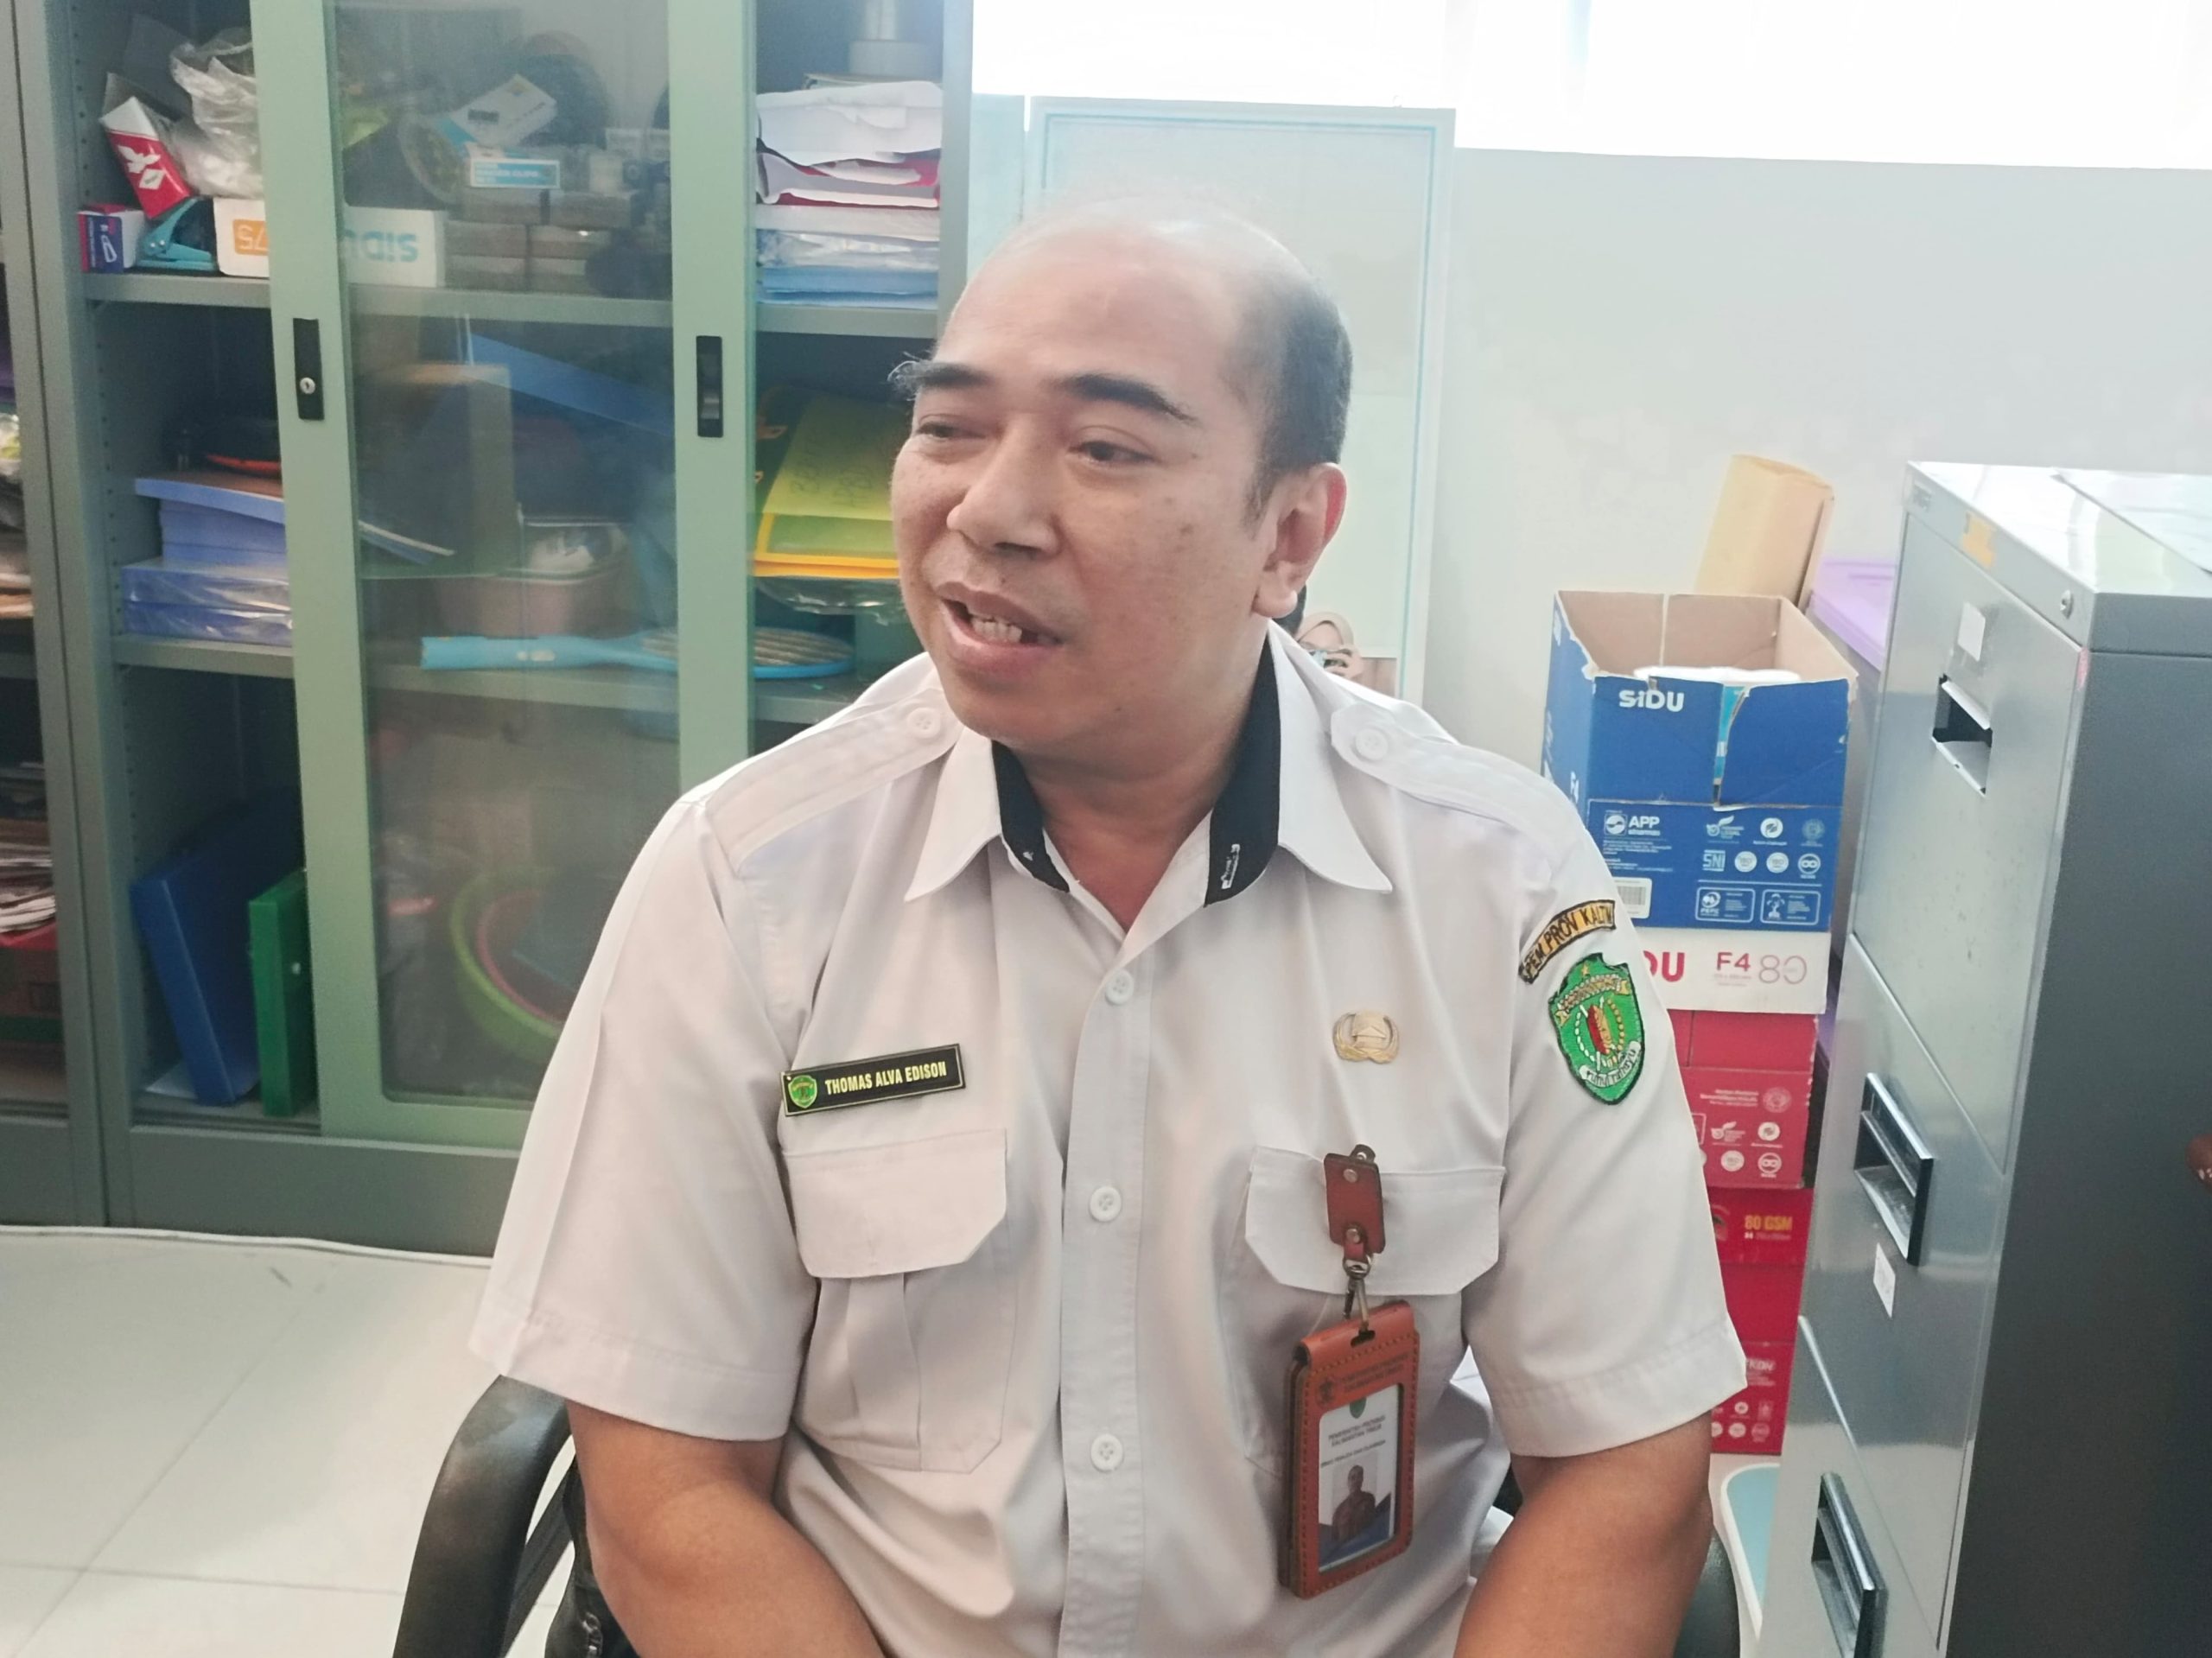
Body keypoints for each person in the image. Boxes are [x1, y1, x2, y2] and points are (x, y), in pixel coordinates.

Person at [473, 200, 1745, 1658]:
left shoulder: (1502, 889)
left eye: (1107, 449)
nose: (990, 510)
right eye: (950, 428)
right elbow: (670, 1492)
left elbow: (1625, 1468)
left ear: (1289, 534)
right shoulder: (748, 879)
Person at [1331, 1463, 1381, 1551]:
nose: (1355, 1481)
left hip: (1366, 1546)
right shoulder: (1339, 1510)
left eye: (1359, 1477)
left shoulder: (1369, 1499)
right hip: (1344, 1551)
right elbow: (1334, 1538)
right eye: (1352, 1478)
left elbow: (1371, 1524)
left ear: (1362, 1480)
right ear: (1348, 1482)